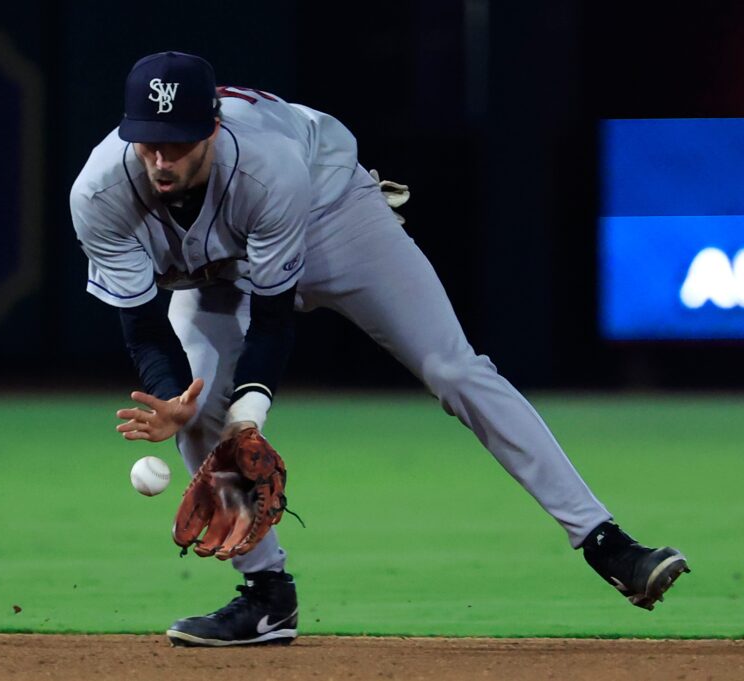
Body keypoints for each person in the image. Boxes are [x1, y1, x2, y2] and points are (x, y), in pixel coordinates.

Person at [69, 51, 689, 647]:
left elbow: (273, 321)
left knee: (454, 368)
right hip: (218, 270)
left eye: (177, 140)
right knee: (200, 408)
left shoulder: (265, 167)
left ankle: (607, 544)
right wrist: (175, 399)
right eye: (148, 140)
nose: (160, 158)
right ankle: (266, 597)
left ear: (211, 126)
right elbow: (143, 326)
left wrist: (248, 421)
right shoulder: (100, 192)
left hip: (330, 212)